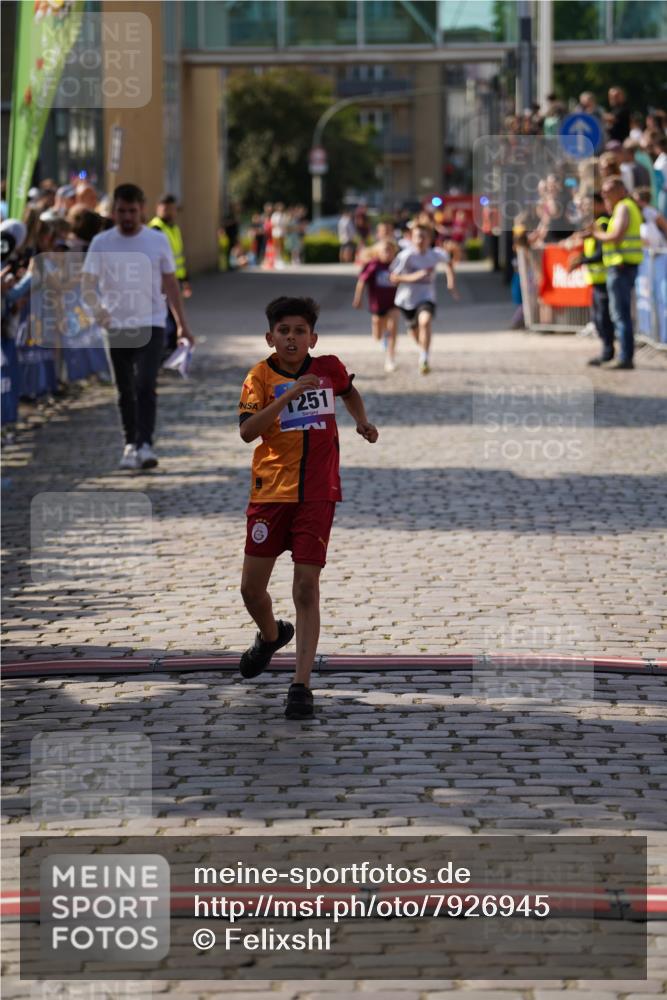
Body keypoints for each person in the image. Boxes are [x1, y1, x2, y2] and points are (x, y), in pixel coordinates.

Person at [237, 295, 378, 720]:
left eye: (300, 331)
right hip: (270, 493)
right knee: (251, 590)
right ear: (270, 337)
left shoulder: (329, 368)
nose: (292, 338)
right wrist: (288, 396)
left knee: (305, 587)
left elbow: (349, 391)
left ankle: (300, 685)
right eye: (284, 331)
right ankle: (270, 635)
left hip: (318, 493)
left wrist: (361, 421)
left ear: (312, 338)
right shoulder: (259, 377)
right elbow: (247, 431)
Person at [82, 182, 195, 469]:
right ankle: (130, 444)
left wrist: (182, 324)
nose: (127, 217)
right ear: (114, 211)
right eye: (122, 211)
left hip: (151, 322)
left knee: (145, 383)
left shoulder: (157, 241)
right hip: (116, 324)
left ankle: (145, 444)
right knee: (124, 388)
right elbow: (87, 284)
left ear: (142, 209)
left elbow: (171, 283)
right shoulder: (102, 243)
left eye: (132, 211)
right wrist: (98, 311)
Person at [588, 176, 644, 370]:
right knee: (619, 314)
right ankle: (620, 355)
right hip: (622, 267)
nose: (604, 194)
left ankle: (625, 358)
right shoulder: (624, 207)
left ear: (621, 190)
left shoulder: (623, 207)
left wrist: (597, 234)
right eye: (603, 191)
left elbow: (616, 236)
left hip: (621, 267)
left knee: (620, 315)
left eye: (608, 190)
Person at [389, 223, 458, 375]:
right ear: (412, 238)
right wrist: (414, 276)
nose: (420, 240)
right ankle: (423, 349)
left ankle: (424, 358)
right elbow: (393, 278)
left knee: (425, 322)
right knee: (415, 333)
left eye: (423, 237)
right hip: (406, 300)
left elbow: (449, 263)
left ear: (429, 239)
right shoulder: (406, 256)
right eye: (417, 236)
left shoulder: (435, 254)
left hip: (426, 297)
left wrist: (451, 282)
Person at [569, 192, 614, 365]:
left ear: (600, 204)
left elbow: (601, 253)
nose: (586, 209)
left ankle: (608, 352)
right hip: (596, 279)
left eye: (590, 205)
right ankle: (606, 351)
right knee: (598, 318)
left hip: (603, 278)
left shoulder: (602, 223)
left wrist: (581, 261)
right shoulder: (595, 224)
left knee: (604, 318)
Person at [149, 194, 191, 355]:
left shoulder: (174, 228)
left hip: (175, 279)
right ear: (158, 209)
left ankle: (172, 351)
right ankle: (167, 351)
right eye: (165, 209)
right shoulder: (156, 228)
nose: (169, 212)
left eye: (172, 209)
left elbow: (179, 256)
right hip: (162, 282)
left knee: (174, 316)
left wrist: (185, 280)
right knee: (167, 318)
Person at [352, 239, 399, 372]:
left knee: (392, 328)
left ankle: (390, 359)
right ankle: (383, 336)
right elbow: (362, 281)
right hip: (377, 305)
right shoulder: (374, 265)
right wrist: (358, 298)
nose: (388, 253)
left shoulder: (397, 265)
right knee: (377, 333)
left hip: (394, 303)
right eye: (385, 251)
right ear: (378, 252)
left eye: (390, 251)